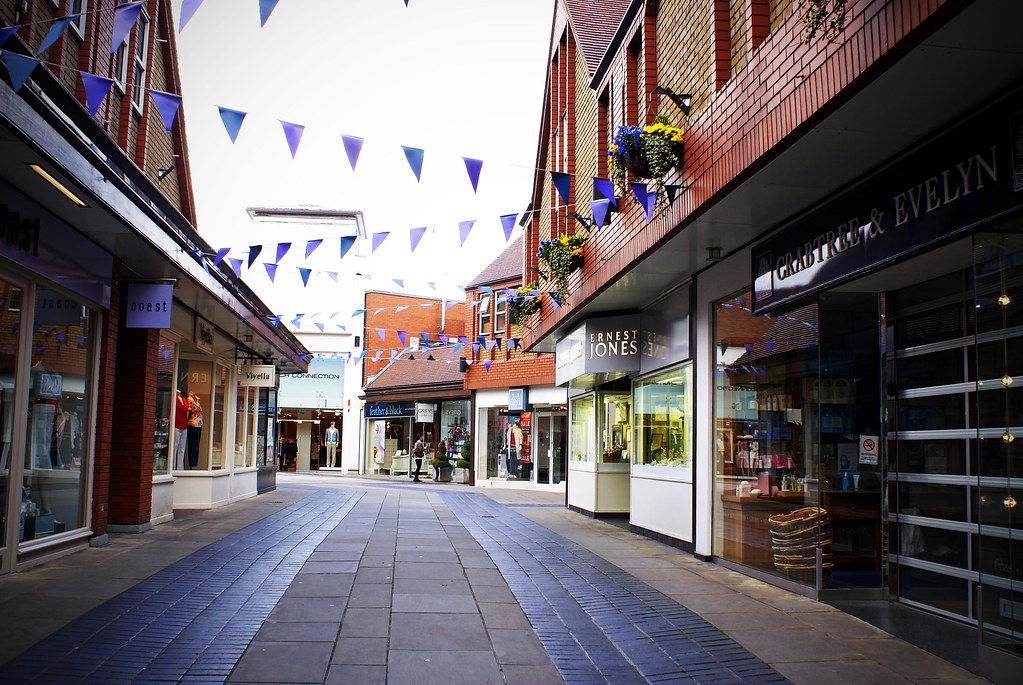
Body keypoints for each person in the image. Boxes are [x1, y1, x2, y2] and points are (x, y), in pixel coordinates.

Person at [186, 392, 203, 469]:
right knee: (192, 444)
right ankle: (191, 464)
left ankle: (193, 463)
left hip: (198, 424)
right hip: (193, 424)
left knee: (196, 445)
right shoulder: (190, 399)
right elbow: (188, 411)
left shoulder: (196, 400)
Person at [174, 389, 189, 470]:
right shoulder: (175, 399)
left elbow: (186, 407)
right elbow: (184, 408)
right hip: (177, 425)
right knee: (175, 447)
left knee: (182, 448)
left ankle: (180, 468)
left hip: (184, 425)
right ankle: (172, 466)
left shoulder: (183, 399)